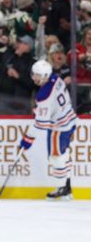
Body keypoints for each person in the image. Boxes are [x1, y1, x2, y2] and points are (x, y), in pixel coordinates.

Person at [19, 60, 77, 200]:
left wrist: (27, 140)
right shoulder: (55, 78)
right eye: (33, 74)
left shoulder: (43, 95)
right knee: (63, 154)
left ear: (45, 75)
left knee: (56, 157)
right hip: (69, 119)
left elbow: (41, 124)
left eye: (37, 75)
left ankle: (63, 188)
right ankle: (66, 186)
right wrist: (41, 110)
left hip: (59, 127)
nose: (34, 78)